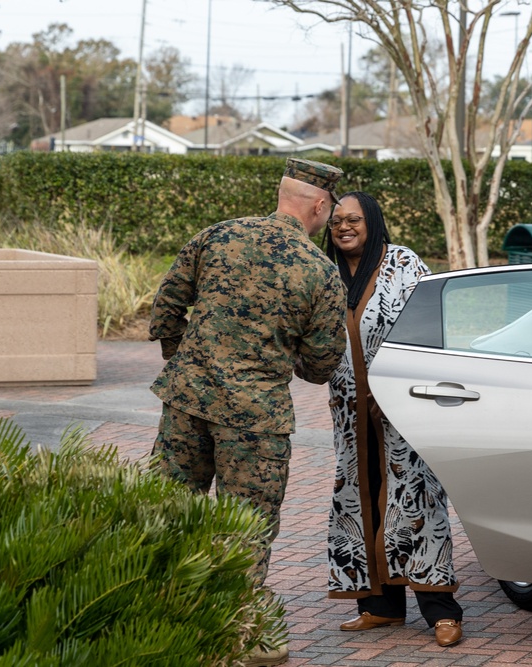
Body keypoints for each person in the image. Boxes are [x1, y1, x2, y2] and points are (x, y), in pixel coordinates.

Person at [149, 158, 349, 667]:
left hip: (186, 404)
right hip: (256, 419)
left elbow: (166, 308)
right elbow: (324, 363)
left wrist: (188, 362)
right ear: (320, 206)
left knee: (166, 510)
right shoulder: (320, 271)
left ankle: (152, 617)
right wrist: (286, 360)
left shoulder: (217, 236)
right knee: (245, 527)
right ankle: (243, 638)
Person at [322, 191, 464, 647]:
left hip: (401, 407)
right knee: (360, 498)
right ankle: (380, 608)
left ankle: (442, 610)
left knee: (417, 500)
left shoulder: (403, 263)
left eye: (354, 219)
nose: (344, 227)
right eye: (337, 220)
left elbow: (429, 323)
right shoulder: (324, 271)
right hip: (349, 412)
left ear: (373, 221)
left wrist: (401, 387)